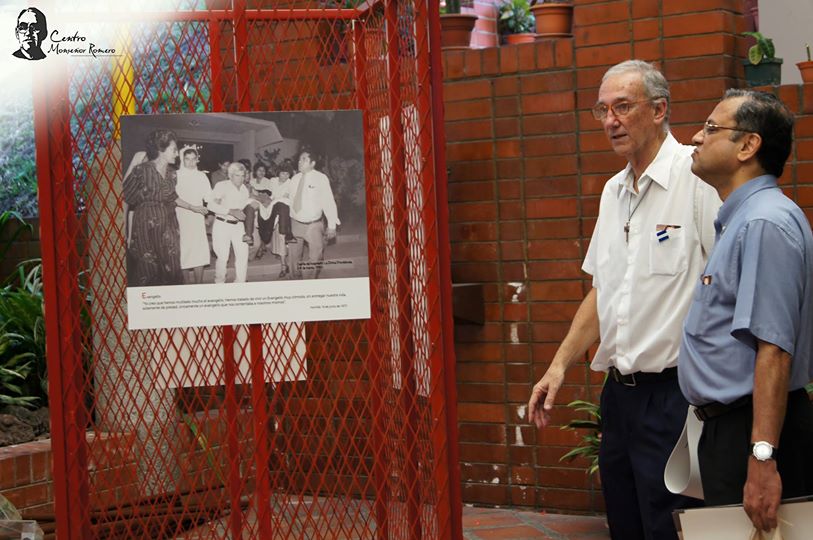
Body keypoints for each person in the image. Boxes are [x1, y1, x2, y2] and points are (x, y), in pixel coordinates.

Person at [527, 60, 721, 540]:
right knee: (627, 525)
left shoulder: (696, 180)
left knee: (672, 528)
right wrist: (558, 366)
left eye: (623, 106)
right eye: (602, 109)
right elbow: (602, 291)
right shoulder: (614, 192)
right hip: (619, 397)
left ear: (659, 110)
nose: (610, 120)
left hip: (677, 397)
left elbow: (728, 288)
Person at [679, 89, 813, 533]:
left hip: (754, 434)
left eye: (712, 128)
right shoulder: (743, 218)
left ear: (747, 146)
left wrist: (762, 458)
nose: (696, 137)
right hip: (735, 430)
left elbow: (774, 349)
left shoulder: (762, 223)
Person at [122, 130, 184, 287]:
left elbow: (172, 198)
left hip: (169, 224)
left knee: (173, 266)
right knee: (148, 269)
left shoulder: (172, 174)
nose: (177, 154)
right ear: (161, 149)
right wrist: (125, 230)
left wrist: (195, 208)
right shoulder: (141, 170)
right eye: (174, 150)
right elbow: (126, 199)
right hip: (145, 225)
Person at [287, 151, 340, 279]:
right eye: (299, 159)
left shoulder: (321, 178)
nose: (300, 162)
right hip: (295, 222)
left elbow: (328, 202)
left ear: (312, 163)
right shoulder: (294, 179)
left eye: (304, 160)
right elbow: (290, 200)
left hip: (313, 225)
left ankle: (309, 281)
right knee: (293, 257)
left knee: (316, 256)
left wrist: (332, 225)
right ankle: (294, 279)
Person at [206, 162, 252, 283]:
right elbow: (211, 205)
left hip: (239, 226)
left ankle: (240, 284)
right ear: (230, 175)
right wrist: (230, 211)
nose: (241, 178)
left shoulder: (244, 189)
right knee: (222, 257)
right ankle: (220, 284)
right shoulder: (222, 186)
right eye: (238, 175)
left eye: (243, 175)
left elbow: (245, 208)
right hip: (222, 224)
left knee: (243, 256)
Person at [175, 146, 211, 284]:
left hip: (197, 218)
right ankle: (186, 284)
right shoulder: (176, 175)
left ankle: (199, 284)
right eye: (187, 159)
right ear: (182, 159)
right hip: (181, 216)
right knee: (184, 251)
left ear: (197, 160)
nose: (190, 162)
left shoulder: (202, 176)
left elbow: (208, 197)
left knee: (199, 250)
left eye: (193, 159)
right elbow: (173, 198)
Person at [254, 166, 296, 277]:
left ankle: (283, 265)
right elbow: (268, 194)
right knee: (264, 219)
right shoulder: (272, 181)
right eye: (283, 173)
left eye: (287, 174)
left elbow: (288, 198)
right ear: (278, 173)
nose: (285, 176)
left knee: (281, 235)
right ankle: (265, 242)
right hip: (272, 207)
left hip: (283, 211)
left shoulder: (290, 183)